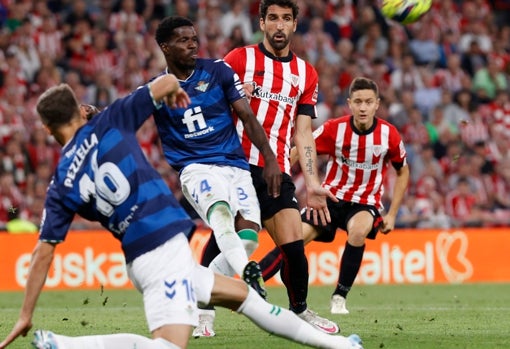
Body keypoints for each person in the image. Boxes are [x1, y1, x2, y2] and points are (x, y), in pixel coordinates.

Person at [0, 77, 364, 349]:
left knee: (248, 300)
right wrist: (171, 91)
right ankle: (62, 344)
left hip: (152, 255)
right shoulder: (110, 120)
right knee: (168, 347)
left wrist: (25, 313)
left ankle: (342, 346)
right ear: (79, 109)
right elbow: (167, 81)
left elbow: (43, 251)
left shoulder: (61, 180)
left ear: (48, 129)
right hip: (160, 254)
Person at [151, 16, 283, 336]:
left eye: (194, 38)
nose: (193, 44)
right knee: (221, 214)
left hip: (235, 167)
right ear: (165, 47)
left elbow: (247, 116)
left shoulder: (219, 71)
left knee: (248, 236)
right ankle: (247, 272)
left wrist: (270, 160)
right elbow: (124, 114)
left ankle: (199, 291)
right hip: (196, 168)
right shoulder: (158, 90)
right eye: (184, 40)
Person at [222, 0, 340, 334]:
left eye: (286, 19)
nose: (279, 25)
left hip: (275, 173)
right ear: (262, 23)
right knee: (229, 238)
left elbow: (303, 132)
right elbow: (210, 101)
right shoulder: (239, 59)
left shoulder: (306, 73)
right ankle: (202, 313)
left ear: (294, 25)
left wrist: (313, 183)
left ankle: (300, 311)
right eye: (272, 18)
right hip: (235, 167)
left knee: (293, 247)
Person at [259, 77, 410, 314]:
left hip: (365, 202)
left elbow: (402, 172)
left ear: (377, 104)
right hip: (330, 199)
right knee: (293, 240)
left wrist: (391, 214)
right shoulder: (334, 129)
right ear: (349, 103)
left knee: (358, 231)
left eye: (368, 102)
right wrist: (276, 172)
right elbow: (301, 150)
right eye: (358, 102)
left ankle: (339, 296)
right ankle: (255, 281)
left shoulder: (389, 135)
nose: (362, 107)